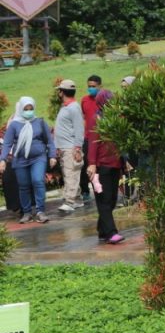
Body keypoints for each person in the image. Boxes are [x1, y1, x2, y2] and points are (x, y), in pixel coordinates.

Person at [0, 97, 58, 223]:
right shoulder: (14, 125)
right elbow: (7, 143)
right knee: (23, 185)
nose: (28, 111)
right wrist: (2, 159)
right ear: (21, 109)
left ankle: (40, 211)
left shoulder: (40, 122)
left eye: (31, 108)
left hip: (38, 158)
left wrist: (52, 156)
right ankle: (27, 212)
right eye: (26, 109)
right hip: (20, 160)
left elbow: (49, 141)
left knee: (38, 181)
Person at [86, 90, 127, 244]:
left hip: (115, 163)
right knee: (104, 199)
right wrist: (92, 164)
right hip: (101, 165)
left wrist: (124, 161)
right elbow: (93, 142)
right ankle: (111, 233)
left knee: (112, 199)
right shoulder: (96, 119)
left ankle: (102, 230)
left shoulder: (116, 117)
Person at [53, 79, 85, 214]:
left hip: (70, 147)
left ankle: (70, 202)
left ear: (62, 92)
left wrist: (77, 148)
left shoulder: (73, 108)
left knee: (71, 173)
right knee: (69, 173)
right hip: (64, 147)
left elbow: (79, 129)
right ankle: (76, 199)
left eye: (59, 91)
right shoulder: (66, 107)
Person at [79, 75, 111, 206]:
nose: (91, 88)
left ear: (100, 86)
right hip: (89, 138)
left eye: (93, 86)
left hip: (104, 139)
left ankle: (108, 191)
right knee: (89, 166)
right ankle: (92, 192)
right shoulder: (84, 100)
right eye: (89, 86)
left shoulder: (105, 99)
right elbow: (84, 118)